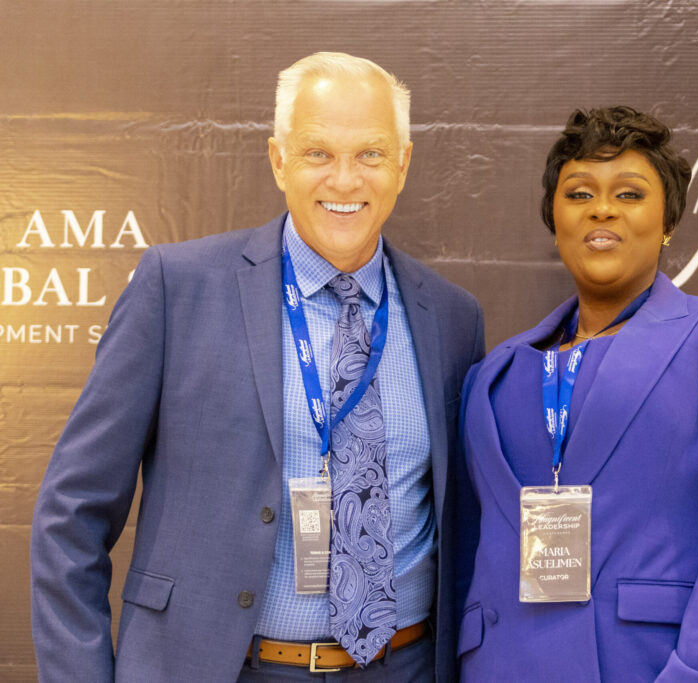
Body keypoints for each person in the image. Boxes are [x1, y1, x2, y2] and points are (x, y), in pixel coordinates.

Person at [31, 52, 484, 682]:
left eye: (371, 155)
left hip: (400, 666)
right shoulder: (176, 287)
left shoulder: (453, 319)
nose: (346, 180)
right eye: (318, 153)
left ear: (402, 165)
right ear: (279, 161)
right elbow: (71, 513)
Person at [455, 107, 698, 681]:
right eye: (578, 193)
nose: (602, 208)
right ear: (554, 216)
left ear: (667, 220)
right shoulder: (494, 373)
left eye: (629, 193)